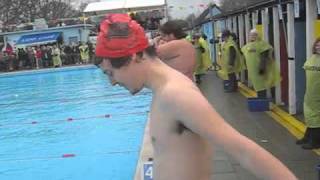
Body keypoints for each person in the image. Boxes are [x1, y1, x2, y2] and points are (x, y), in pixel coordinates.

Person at [94, 14, 297, 180]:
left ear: (133, 57)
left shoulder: (176, 95)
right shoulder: (164, 90)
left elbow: (244, 151)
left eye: (110, 73)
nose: (112, 82)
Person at [241, 29, 281, 98]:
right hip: (253, 71)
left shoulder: (262, 44)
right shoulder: (248, 46)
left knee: (262, 86)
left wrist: (262, 69)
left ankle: (265, 99)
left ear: (258, 35)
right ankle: (262, 99)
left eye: (254, 35)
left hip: (261, 69)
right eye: (251, 35)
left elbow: (264, 58)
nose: (253, 36)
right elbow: (243, 52)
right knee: (259, 86)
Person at [296, 38, 320, 149]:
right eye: (317, 45)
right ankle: (308, 136)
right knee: (309, 115)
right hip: (310, 92)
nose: (318, 47)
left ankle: (315, 141)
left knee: (316, 117)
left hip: (318, 93)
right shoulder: (312, 58)